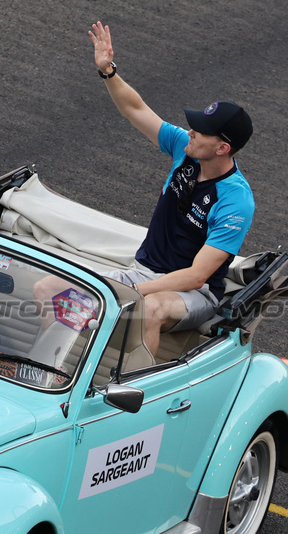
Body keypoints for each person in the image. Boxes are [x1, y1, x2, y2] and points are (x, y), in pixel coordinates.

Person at [37, 21, 256, 359]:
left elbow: (197, 276)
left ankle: (137, 398)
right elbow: (136, 108)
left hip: (191, 294)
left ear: (223, 148)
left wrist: (134, 292)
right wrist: (108, 71)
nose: (191, 131)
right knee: (48, 287)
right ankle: (50, 366)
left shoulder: (235, 200)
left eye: (201, 130)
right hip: (141, 272)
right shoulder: (185, 148)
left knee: (148, 309)